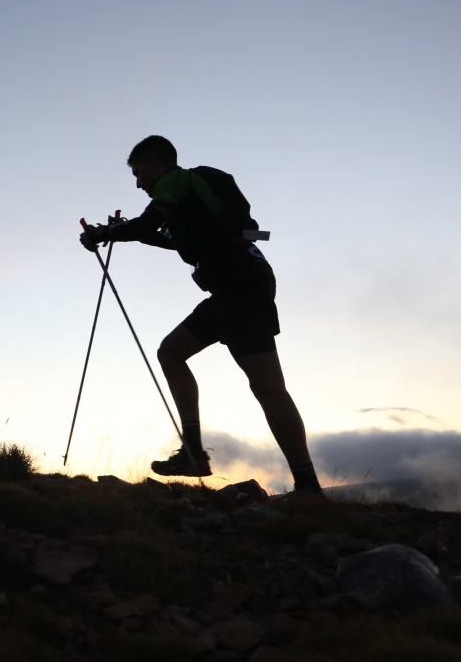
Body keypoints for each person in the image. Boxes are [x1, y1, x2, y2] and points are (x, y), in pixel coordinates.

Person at [80, 135, 322, 495]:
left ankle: (308, 488)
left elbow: (148, 225)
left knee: (267, 386)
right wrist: (124, 232)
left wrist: (107, 232)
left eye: (138, 173)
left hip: (238, 284)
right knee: (171, 353)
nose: (138, 183)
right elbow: (177, 238)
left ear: (154, 164)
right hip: (234, 285)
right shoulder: (188, 196)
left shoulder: (174, 180)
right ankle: (193, 453)